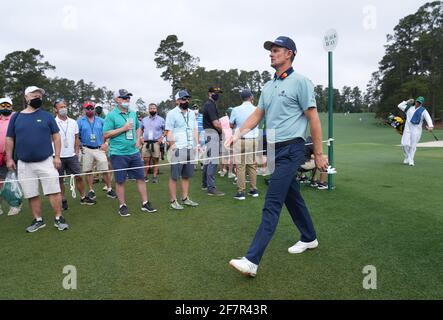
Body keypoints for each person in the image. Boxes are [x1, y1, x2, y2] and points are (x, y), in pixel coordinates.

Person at [226, 36, 329, 277]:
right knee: (292, 196)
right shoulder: (268, 86)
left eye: (276, 50)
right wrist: (236, 134)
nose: (271, 54)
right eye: (270, 51)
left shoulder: (301, 82)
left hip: (292, 148)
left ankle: (252, 260)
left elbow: (313, 118)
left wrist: (319, 152)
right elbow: (257, 115)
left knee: (272, 201)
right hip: (273, 149)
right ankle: (309, 237)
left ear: (289, 53)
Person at [5, 86, 69, 232]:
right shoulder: (16, 117)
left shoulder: (47, 116)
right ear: (26, 97)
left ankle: (59, 218)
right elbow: (9, 139)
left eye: (39, 96)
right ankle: (38, 220)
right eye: (34, 95)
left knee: (54, 191)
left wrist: (57, 156)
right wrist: (9, 159)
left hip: (46, 161)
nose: (37, 98)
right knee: (31, 193)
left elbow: (56, 137)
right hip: (24, 164)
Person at [103, 89, 157, 217]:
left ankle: (145, 203)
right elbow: (106, 134)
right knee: (120, 180)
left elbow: (138, 127)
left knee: (141, 178)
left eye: (128, 98)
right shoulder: (111, 115)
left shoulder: (133, 113)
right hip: (118, 153)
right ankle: (122, 205)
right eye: (124, 98)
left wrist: (138, 138)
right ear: (117, 100)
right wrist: (123, 128)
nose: (127, 100)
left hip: (133, 152)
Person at [53, 98, 96, 210]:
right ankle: (63, 199)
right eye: (61, 107)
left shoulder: (73, 122)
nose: (64, 109)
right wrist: (54, 156)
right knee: (60, 179)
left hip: (72, 156)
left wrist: (76, 152)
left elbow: (77, 138)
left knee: (79, 177)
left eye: (65, 106)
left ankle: (83, 197)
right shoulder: (52, 122)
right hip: (58, 157)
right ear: (55, 110)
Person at [164, 90, 199, 210]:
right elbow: (168, 131)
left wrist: (197, 144)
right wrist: (172, 146)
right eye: (183, 99)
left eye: (187, 99)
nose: (186, 101)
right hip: (178, 148)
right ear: (177, 101)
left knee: (186, 176)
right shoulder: (171, 113)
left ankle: (185, 198)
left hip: (190, 147)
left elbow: (195, 129)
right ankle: (173, 200)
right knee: (175, 176)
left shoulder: (192, 113)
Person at [77, 101, 116, 200]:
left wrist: (106, 143)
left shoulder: (101, 120)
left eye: (91, 108)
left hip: (100, 148)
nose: (90, 110)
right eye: (88, 108)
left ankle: (109, 189)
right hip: (86, 148)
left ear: (94, 109)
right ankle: (91, 190)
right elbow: (77, 136)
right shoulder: (80, 121)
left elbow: (107, 133)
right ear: (84, 109)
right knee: (88, 170)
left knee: (105, 169)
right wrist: (80, 145)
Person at [230, 89, 260, 200]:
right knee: (252, 165)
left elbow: (231, 125)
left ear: (241, 98)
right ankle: (253, 190)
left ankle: (241, 192)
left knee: (240, 166)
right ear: (251, 97)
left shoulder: (236, 109)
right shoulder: (256, 109)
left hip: (240, 139)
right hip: (253, 139)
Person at [0, 97, 22, 216]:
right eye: (3, 105)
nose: (5, 108)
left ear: (11, 106)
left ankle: (15, 205)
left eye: (7, 105)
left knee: (12, 180)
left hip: (11, 155)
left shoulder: (15, 118)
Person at [202, 86, 225, 196]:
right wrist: (224, 132)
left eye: (218, 93)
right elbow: (216, 123)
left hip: (209, 134)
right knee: (213, 161)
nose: (217, 94)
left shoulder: (210, 104)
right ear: (209, 93)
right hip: (213, 134)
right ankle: (211, 188)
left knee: (208, 160)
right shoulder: (210, 105)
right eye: (215, 92)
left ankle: (205, 184)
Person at [398, 96, 434, 166]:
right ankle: (407, 157)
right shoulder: (409, 108)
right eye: (417, 102)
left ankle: (411, 160)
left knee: (413, 146)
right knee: (404, 144)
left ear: (421, 103)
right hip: (407, 128)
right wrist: (407, 101)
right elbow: (399, 106)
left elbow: (428, 118)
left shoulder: (423, 110)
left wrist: (430, 126)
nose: (418, 103)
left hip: (416, 130)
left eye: (419, 103)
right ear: (416, 101)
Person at [141, 103, 165, 183]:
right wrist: (141, 137)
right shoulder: (144, 119)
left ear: (156, 109)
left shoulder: (161, 120)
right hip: (146, 142)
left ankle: (154, 177)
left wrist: (161, 138)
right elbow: (141, 129)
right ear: (148, 109)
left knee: (155, 160)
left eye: (154, 108)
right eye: (151, 108)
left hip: (156, 143)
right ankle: (145, 176)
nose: (152, 110)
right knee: (145, 160)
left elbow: (166, 130)